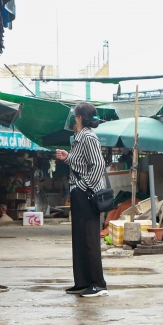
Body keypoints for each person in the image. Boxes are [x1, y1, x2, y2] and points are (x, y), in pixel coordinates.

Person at [54, 102, 108, 298]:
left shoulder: (88, 136)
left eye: (74, 115)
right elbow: (83, 163)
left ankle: (97, 284)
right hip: (79, 191)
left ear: (78, 117)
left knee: (89, 239)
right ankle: (82, 282)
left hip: (86, 193)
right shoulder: (79, 137)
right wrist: (67, 157)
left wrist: (84, 188)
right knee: (80, 238)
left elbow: (98, 165)